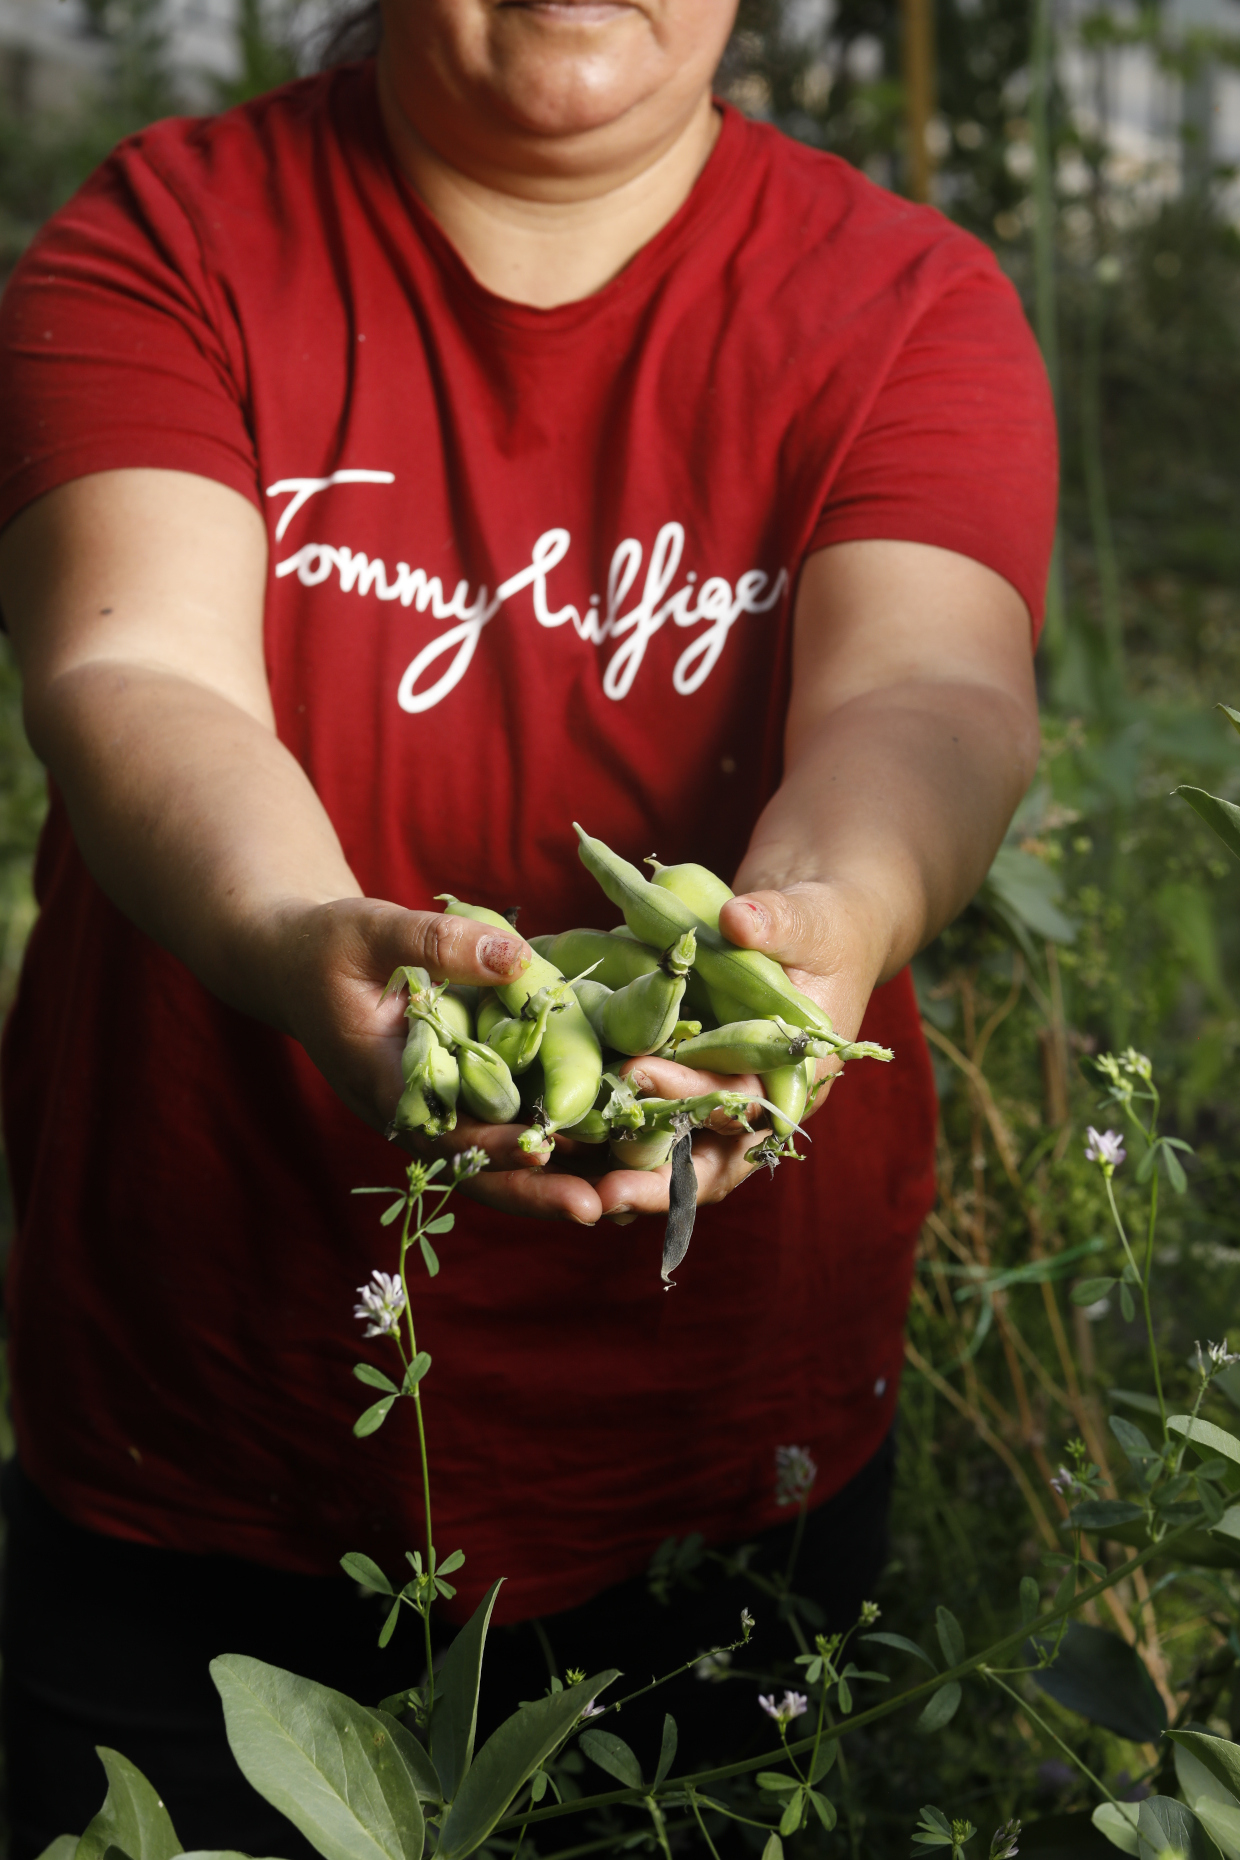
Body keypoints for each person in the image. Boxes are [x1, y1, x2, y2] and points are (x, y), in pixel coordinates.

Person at [0, 0, 1054, 1848]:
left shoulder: (905, 302)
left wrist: (835, 916)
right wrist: (297, 929)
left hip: (728, 1427)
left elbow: (929, 698)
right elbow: (138, 669)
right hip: (208, 1395)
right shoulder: (172, 234)